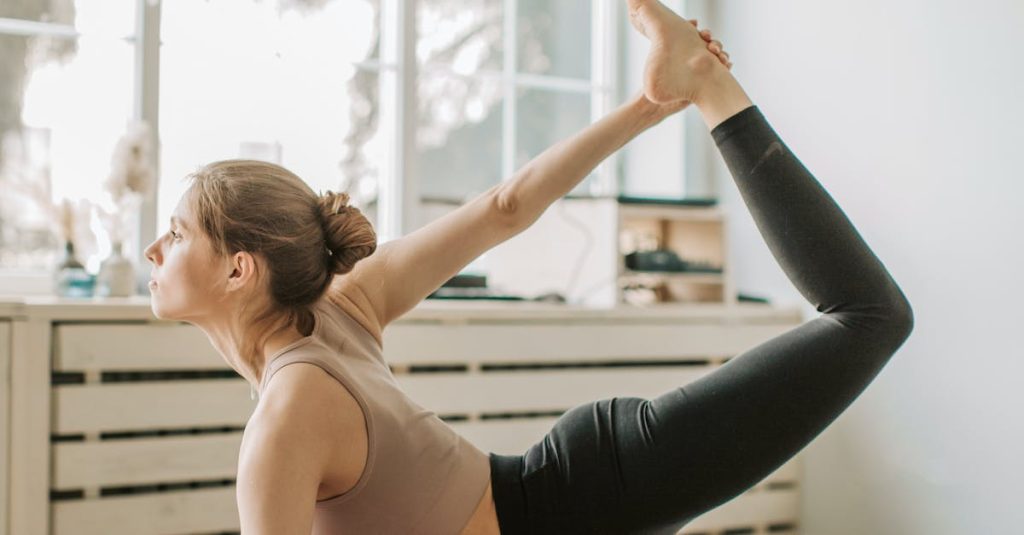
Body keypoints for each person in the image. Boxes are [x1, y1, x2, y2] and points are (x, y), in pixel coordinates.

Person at [143, 0, 913, 533]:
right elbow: (505, 205)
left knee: (869, 317)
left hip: (585, 502)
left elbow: (505, 205)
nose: (154, 249)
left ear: (240, 270)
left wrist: (677, 93)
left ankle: (712, 90)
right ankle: (696, 84)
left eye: (176, 234)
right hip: (577, 484)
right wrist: (647, 107)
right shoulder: (344, 306)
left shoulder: (283, 420)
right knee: (869, 317)